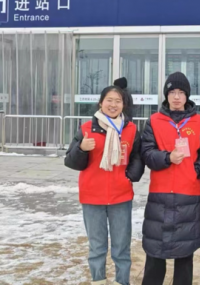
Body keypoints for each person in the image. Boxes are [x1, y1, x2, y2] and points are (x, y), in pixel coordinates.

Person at [65, 84, 144, 285]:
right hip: (92, 197)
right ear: (101, 103)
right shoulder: (86, 129)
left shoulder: (130, 129)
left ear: (123, 105)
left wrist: (131, 175)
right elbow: (71, 161)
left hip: (121, 196)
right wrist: (81, 148)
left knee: (121, 248)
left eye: (118, 101)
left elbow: (137, 156)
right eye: (109, 100)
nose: (113, 104)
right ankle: (98, 280)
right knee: (97, 248)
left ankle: (122, 281)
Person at [140, 72, 200, 285]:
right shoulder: (154, 121)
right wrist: (167, 158)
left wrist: (196, 171)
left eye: (181, 92)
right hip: (159, 195)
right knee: (155, 253)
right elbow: (146, 153)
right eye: (172, 92)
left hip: (188, 194)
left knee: (185, 255)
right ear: (166, 95)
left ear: (187, 96)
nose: (176, 97)